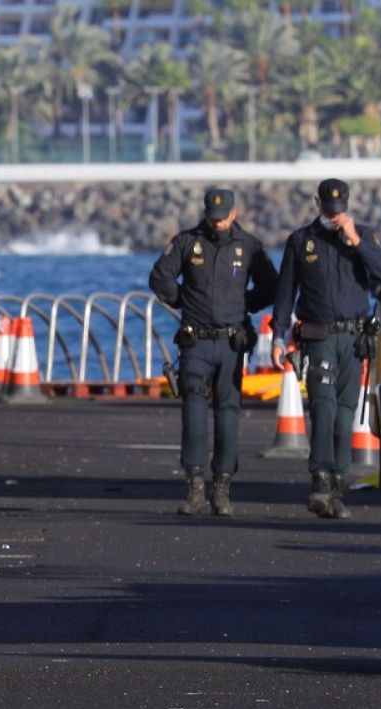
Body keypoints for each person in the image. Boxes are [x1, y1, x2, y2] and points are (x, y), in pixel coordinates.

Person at [271, 178, 381, 520]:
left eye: (339, 212)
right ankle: (320, 480)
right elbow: (285, 292)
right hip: (319, 337)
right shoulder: (301, 241)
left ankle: (337, 485)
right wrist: (279, 337)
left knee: (345, 414)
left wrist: (356, 242)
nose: (334, 217)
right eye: (329, 210)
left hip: (354, 340)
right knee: (322, 409)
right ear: (318, 204)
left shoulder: (364, 235)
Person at [150, 188, 278, 517]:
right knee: (193, 413)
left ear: (233, 214)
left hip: (231, 342)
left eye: (222, 218)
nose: (216, 223)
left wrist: (244, 306)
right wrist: (183, 302)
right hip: (195, 342)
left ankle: (222, 488)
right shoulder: (187, 242)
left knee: (228, 414)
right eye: (212, 217)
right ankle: (194, 487)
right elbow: (160, 277)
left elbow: (270, 286)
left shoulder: (248, 246)